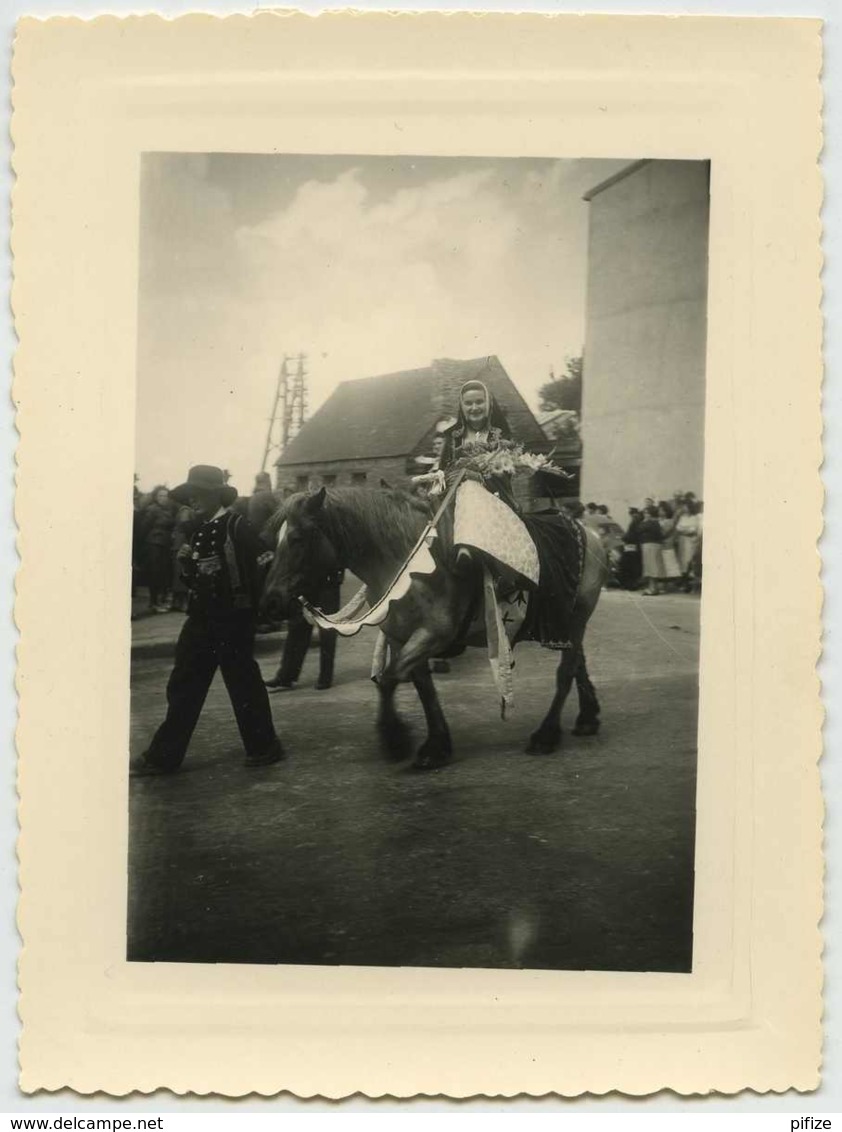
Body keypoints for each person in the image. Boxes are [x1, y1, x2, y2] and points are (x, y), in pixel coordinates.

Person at [130, 464, 284, 776]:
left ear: (216, 496)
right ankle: (163, 756)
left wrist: (253, 612)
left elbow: (265, 564)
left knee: (243, 686)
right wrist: (187, 566)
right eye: (189, 495)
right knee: (184, 684)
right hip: (201, 620)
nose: (192, 501)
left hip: (233, 622)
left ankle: (264, 747)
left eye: (198, 494)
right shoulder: (199, 530)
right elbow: (200, 578)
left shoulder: (238, 526)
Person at [439, 380, 538, 584]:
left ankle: (467, 547)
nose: (474, 407)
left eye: (479, 402)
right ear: (462, 407)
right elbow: (443, 469)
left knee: (471, 488)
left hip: (494, 499)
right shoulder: (452, 438)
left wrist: (481, 476)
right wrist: (455, 475)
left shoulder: (500, 437)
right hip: (452, 498)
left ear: (488, 404)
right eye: (468, 403)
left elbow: (506, 471)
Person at [264, 570, 344, 693]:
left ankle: (325, 676)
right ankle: (285, 676)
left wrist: (338, 573)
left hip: (327, 580)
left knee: (327, 628)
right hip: (303, 581)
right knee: (297, 625)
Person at [141, 486, 176, 613]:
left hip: (165, 544)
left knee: (163, 572)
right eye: (160, 496)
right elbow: (144, 527)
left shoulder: (169, 510)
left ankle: (160, 601)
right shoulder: (152, 510)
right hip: (154, 543)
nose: (163, 498)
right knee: (154, 572)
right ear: (155, 497)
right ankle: (153, 602)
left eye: (166, 496)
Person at [638, 504, 665, 595]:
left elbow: (639, 529)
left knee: (651, 567)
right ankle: (653, 587)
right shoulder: (657, 523)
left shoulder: (650, 523)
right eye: (645, 513)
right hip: (654, 546)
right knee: (653, 566)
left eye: (647, 513)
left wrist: (644, 521)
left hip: (650, 546)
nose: (645, 515)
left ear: (651, 514)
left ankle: (652, 588)